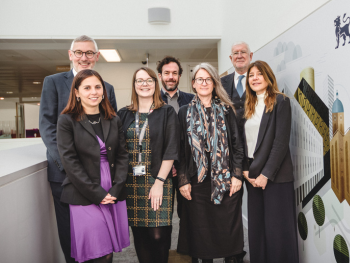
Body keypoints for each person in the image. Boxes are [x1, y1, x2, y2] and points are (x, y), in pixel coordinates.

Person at [39, 35, 117, 263]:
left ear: (97, 56)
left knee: (102, 231)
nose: (84, 58)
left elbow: (110, 131)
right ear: (70, 54)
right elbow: (47, 127)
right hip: (63, 174)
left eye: (90, 53)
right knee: (70, 235)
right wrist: (70, 167)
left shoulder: (107, 89)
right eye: (79, 53)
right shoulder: (53, 82)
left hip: (100, 176)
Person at [56, 69, 129, 263]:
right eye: (87, 87)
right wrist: (97, 193)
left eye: (98, 87)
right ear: (77, 92)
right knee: (98, 251)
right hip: (84, 192)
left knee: (108, 251)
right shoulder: (66, 120)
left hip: (112, 190)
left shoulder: (113, 119)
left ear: (103, 91)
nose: (93, 91)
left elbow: (122, 155)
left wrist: (116, 187)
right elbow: (69, 161)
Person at [177, 62, 245, 263]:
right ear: (194, 84)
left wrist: (237, 175)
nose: (204, 83)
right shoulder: (183, 112)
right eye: (200, 79)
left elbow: (237, 145)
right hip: (196, 181)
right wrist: (183, 180)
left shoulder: (226, 109)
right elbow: (180, 149)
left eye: (208, 79)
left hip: (225, 181)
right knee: (201, 234)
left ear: (214, 83)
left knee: (228, 231)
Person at [118, 67, 179, 263]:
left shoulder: (167, 111)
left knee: (158, 235)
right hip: (132, 183)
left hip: (158, 179)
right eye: (139, 81)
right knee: (141, 235)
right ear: (134, 86)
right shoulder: (124, 114)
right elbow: (118, 150)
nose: (144, 84)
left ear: (155, 83)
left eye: (149, 80)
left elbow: (171, 149)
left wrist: (159, 182)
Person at [243, 60, 299, 263]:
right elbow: (242, 143)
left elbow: (280, 142)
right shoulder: (247, 105)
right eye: (251, 75)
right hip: (252, 176)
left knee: (278, 231)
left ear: (268, 77)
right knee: (257, 229)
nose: (255, 78)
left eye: (259, 74)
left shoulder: (280, 101)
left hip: (276, 176)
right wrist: (245, 171)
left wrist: (266, 175)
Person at [157, 56, 194, 219]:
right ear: (160, 76)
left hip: (187, 165)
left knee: (187, 212)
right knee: (161, 214)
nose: (170, 77)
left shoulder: (192, 100)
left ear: (179, 76)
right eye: (166, 73)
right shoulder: (151, 100)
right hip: (161, 166)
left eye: (174, 73)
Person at [221, 41, 253, 136]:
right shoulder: (221, 83)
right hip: (231, 140)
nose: (239, 56)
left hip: (255, 139)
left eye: (243, 52)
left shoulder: (259, 80)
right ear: (231, 58)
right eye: (235, 53)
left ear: (250, 56)